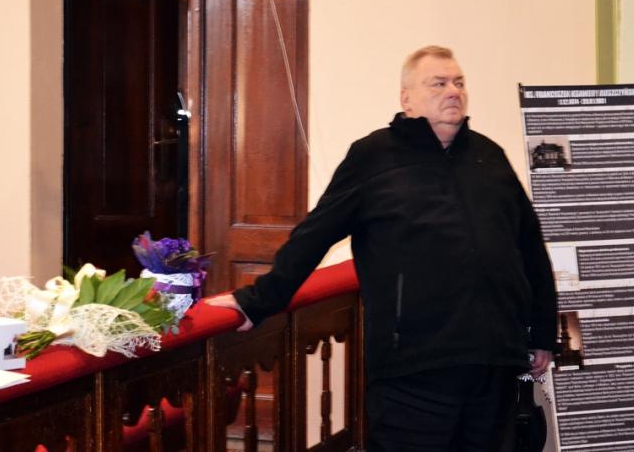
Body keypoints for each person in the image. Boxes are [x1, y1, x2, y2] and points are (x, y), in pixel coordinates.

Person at [208, 45, 557, 451]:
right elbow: (314, 236)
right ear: (406, 98)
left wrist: (542, 331)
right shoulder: (373, 157)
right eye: (438, 83)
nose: (453, 92)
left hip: (493, 362)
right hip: (413, 368)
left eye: (459, 82)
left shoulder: (489, 156)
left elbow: (530, 247)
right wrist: (257, 301)